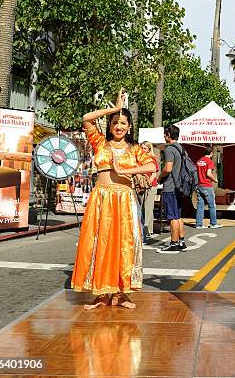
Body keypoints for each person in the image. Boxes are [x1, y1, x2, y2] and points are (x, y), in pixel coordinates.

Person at [71, 89, 156, 309]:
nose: (119, 126)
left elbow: (152, 166)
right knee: (100, 244)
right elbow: (86, 119)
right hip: (101, 199)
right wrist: (115, 109)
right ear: (110, 126)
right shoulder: (100, 143)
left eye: (123, 122)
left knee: (124, 246)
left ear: (129, 127)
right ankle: (101, 293)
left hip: (125, 201)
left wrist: (128, 169)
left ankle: (120, 293)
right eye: (115, 122)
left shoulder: (135, 148)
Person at [156, 125, 188, 253]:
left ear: (169, 134)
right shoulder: (182, 149)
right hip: (180, 186)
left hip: (171, 186)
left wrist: (159, 177)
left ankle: (173, 243)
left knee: (172, 217)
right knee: (178, 215)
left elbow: (168, 168)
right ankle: (181, 241)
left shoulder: (169, 149)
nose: (164, 136)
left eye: (165, 134)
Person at [195, 145, 221, 229]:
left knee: (200, 205)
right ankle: (213, 223)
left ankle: (199, 224)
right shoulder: (209, 162)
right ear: (211, 153)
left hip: (199, 185)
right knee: (212, 205)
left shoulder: (199, 161)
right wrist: (215, 180)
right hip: (207, 185)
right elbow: (208, 174)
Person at [139, 141, 158, 241]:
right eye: (141, 148)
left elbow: (154, 173)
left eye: (145, 148)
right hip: (142, 186)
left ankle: (148, 231)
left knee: (148, 208)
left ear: (149, 150)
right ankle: (143, 229)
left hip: (151, 186)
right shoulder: (139, 159)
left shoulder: (152, 159)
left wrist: (149, 180)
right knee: (142, 208)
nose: (142, 150)